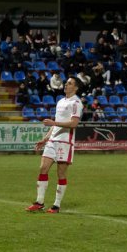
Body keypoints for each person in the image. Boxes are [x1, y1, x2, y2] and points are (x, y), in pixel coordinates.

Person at [25, 77, 83, 214]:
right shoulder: (61, 101)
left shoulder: (76, 103)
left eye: (70, 83)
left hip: (65, 142)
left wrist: (54, 123)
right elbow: (56, 122)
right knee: (43, 168)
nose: (66, 85)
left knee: (61, 173)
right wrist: (45, 139)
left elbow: (74, 124)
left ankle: (56, 205)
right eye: (67, 83)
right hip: (53, 140)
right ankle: (39, 202)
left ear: (75, 88)